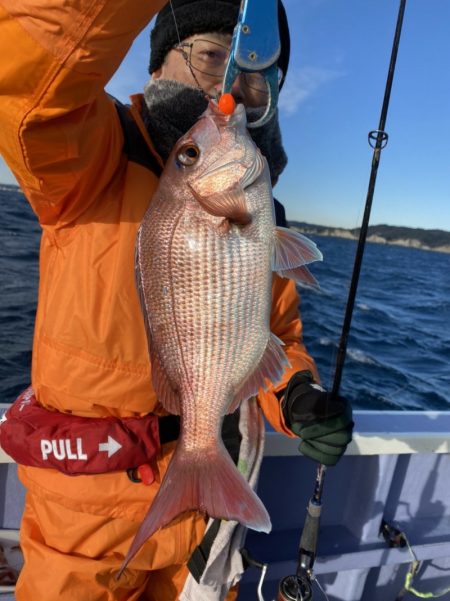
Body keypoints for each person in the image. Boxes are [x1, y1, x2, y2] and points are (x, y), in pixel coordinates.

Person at [0, 0, 353, 599]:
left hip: (204, 523)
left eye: (259, 74)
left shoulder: (263, 216)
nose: (236, 87)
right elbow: (26, 76)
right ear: (158, 63)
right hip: (84, 521)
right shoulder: (91, 153)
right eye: (215, 56)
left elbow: (268, 340)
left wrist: (295, 394)